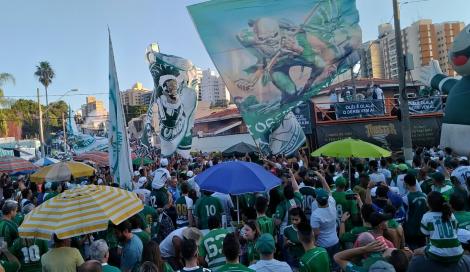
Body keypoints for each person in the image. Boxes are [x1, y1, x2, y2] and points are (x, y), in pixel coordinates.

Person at [420, 191, 463, 263]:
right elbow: (456, 230)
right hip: (457, 252)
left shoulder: (426, 216)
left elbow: (425, 233)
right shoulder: (451, 215)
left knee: (416, 252)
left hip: (437, 254)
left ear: (429, 204)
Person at [310, 177, 339, 270]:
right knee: (335, 266)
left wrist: (314, 243)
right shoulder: (332, 202)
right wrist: (322, 178)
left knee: (325, 267)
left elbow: (316, 233)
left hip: (323, 245)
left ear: (316, 201)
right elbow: (329, 191)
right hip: (335, 241)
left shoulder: (315, 215)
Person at [402, 174, 428, 250]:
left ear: (406, 184)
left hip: (410, 230)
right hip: (422, 229)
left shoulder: (405, 198)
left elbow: (404, 215)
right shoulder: (424, 195)